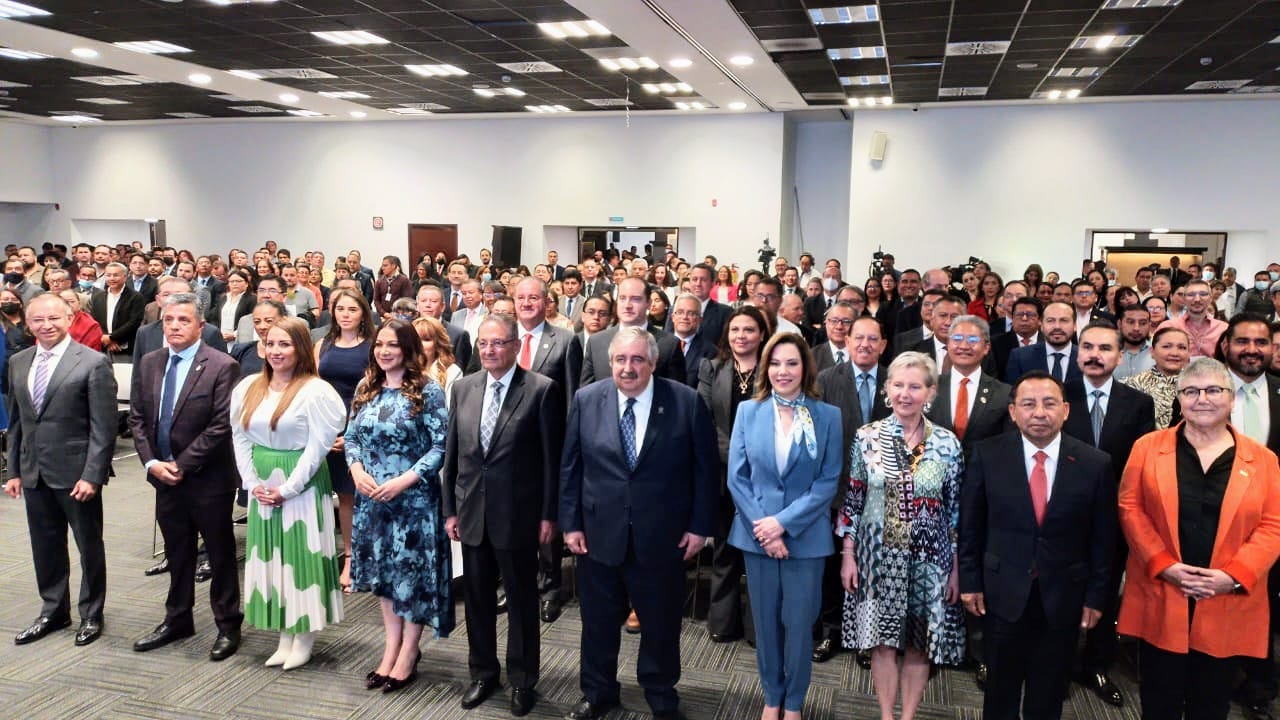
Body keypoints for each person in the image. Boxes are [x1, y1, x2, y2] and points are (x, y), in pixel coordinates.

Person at [560, 327, 718, 719]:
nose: (628, 368)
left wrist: (700, 527)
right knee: (597, 622)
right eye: (620, 360)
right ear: (609, 362)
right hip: (598, 534)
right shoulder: (586, 399)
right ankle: (598, 692)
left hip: (662, 536)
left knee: (661, 623)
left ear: (652, 362)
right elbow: (571, 467)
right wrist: (571, 523)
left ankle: (661, 692)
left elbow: (706, 472)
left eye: (636, 360)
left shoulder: (686, 402)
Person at [1117, 357, 1280, 720]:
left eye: (1213, 390)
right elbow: (1130, 508)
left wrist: (1234, 575)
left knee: (1212, 702)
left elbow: (1273, 526)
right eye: (1190, 391)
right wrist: (1164, 565)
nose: (1202, 399)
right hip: (1163, 590)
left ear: (1231, 398)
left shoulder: (1264, 459)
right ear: (1179, 399)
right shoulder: (1147, 447)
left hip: (1225, 596)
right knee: (1159, 700)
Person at [959, 371, 1116, 720]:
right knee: (1000, 689)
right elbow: (971, 525)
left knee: (1048, 692)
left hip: (1063, 594)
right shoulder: (988, 455)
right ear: (1013, 412)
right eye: (1028, 404)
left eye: (1049, 404)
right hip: (1001, 591)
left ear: (1066, 410)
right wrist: (970, 581)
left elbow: (1103, 538)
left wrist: (1095, 596)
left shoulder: (1095, 462)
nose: (1039, 413)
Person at [442, 314, 565, 717]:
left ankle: (524, 679)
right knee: (476, 600)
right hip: (472, 511)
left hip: (519, 514)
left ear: (515, 346)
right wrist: (450, 510)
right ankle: (483, 673)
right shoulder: (463, 388)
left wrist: (549, 515)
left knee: (521, 601)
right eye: (484, 344)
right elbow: (453, 455)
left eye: (498, 343)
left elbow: (551, 460)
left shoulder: (541, 390)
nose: (490, 350)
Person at [838, 351, 965, 720]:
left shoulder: (948, 444)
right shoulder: (867, 437)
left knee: (918, 645)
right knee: (881, 643)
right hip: (876, 559)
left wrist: (955, 568)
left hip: (931, 562)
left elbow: (955, 511)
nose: (905, 393)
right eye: (898, 385)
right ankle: (886, 715)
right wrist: (848, 553)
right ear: (886, 389)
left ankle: (907, 716)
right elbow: (855, 498)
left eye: (915, 386)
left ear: (930, 393)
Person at [728, 333, 842, 720]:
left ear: (805, 368)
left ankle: (794, 702)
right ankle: (772, 696)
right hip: (756, 535)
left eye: (791, 363)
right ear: (765, 368)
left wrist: (783, 525)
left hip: (805, 539)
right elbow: (737, 479)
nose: (783, 371)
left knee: (798, 626)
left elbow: (828, 482)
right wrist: (765, 529)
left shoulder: (827, 416)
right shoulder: (748, 410)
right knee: (766, 625)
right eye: (775, 363)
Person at [127, 292, 243, 661]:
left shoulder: (221, 365)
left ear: (200, 326)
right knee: (177, 552)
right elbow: (138, 419)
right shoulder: (149, 362)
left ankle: (228, 624)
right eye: (169, 320)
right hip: (162, 476)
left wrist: (182, 464)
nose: (175, 326)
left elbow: (221, 424)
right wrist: (151, 463)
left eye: (183, 321)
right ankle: (178, 619)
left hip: (208, 478)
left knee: (220, 553)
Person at [230, 317, 346, 670]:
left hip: (302, 486)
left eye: (285, 344)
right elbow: (240, 436)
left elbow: (317, 447)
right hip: (263, 487)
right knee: (272, 559)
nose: (276, 351)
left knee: (301, 559)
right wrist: (252, 484)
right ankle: (284, 634)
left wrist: (288, 488)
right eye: (271, 343)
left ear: (300, 348)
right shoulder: (249, 386)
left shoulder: (316, 390)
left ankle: (304, 636)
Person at [345, 319, 453, 693]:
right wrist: (356, 469)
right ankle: (390, 647)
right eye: (379, 344)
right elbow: (352, 437)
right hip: (372, 500)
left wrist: (405, 480)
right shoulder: (367, 386)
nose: (384, 351)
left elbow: (441, 447)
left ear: (408, 349)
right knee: (386, 578)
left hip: (413, 501)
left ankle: (409, 651)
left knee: (412, 578)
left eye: (392, 345)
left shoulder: (428, 390)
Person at [5, 293, 117, 647]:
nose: (46, 325)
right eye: (38, 320)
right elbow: (19, 420)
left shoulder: (93, 362)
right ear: (27, 322)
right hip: (34, 471)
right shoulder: (19, 361)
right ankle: (53, 610)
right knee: (45, 545)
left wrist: (92, 475)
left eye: (54, 318)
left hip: (76, 474)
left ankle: (91, 613)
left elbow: (104, 426)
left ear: (69, 318)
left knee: (88, 545)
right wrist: (13, 471)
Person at [1062, 322, 1155, 707]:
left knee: (1104, 590)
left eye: (1104, 348)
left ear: (1120, 356)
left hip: (1114, 516)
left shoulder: (1137, 403)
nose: (1094, 355)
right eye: (1087, 347)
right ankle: (1061, 665)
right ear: (1077, 352)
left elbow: (1141, 464)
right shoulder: (1058, 396)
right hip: (1063, 515)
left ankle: (1097, 664)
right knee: (1062, 592)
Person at [698, 305, 770, 645]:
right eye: (735, 330)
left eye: (749, 330)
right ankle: (723, 622)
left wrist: (756, 458)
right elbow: (705, 421)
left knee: (759, 550)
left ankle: (759, 626)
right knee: (725, 548)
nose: (741, 336)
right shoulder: (712, 368)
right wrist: (735, 457)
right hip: (723, 471)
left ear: (762, 334)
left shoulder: (774, 369)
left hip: (766, 474)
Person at [315, 288, 375, 594]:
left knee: (366, 497)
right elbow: (313, 388)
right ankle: (349, 557)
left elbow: (373, 394)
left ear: (363, 313)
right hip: (328, 432)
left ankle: (368, 560)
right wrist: (327, 434)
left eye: (352, 309)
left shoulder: (371, 346)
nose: (346, 314)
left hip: (361, 430)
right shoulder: (323, 344)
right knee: (344, 498)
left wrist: (351, 436)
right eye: (340, 309)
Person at [1124, 326, 1191, 430]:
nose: (1174, 353)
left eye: (1182, 347)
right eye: (1166, 346)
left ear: (1188, 354)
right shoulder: (1132, 385)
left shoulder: (1198, 387)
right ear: (1152, 351)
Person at [1004, 301, 1081, 385]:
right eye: (1050, 320)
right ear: (1041, 325)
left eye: (1064, 320)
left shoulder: (1088, 357)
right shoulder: (1019, 357)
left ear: (1075, 325)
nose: (1057, 326)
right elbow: (1013, 394)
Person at [412, 316, 462, 407]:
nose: (419, 344)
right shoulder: (402, 369)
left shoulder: (452, 372)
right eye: (415, 339)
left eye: (426, 339)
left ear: (438, 343)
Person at [208, 269, 255, 345]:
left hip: (241, 340)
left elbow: (251, 321)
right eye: (232, 281)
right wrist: (217, 333)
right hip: (222, 339)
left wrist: (235, 335)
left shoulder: (252, 299)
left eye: (238, 281)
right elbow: (214, 318)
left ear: (246, 284)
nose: (235, 284)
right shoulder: (223, 298)